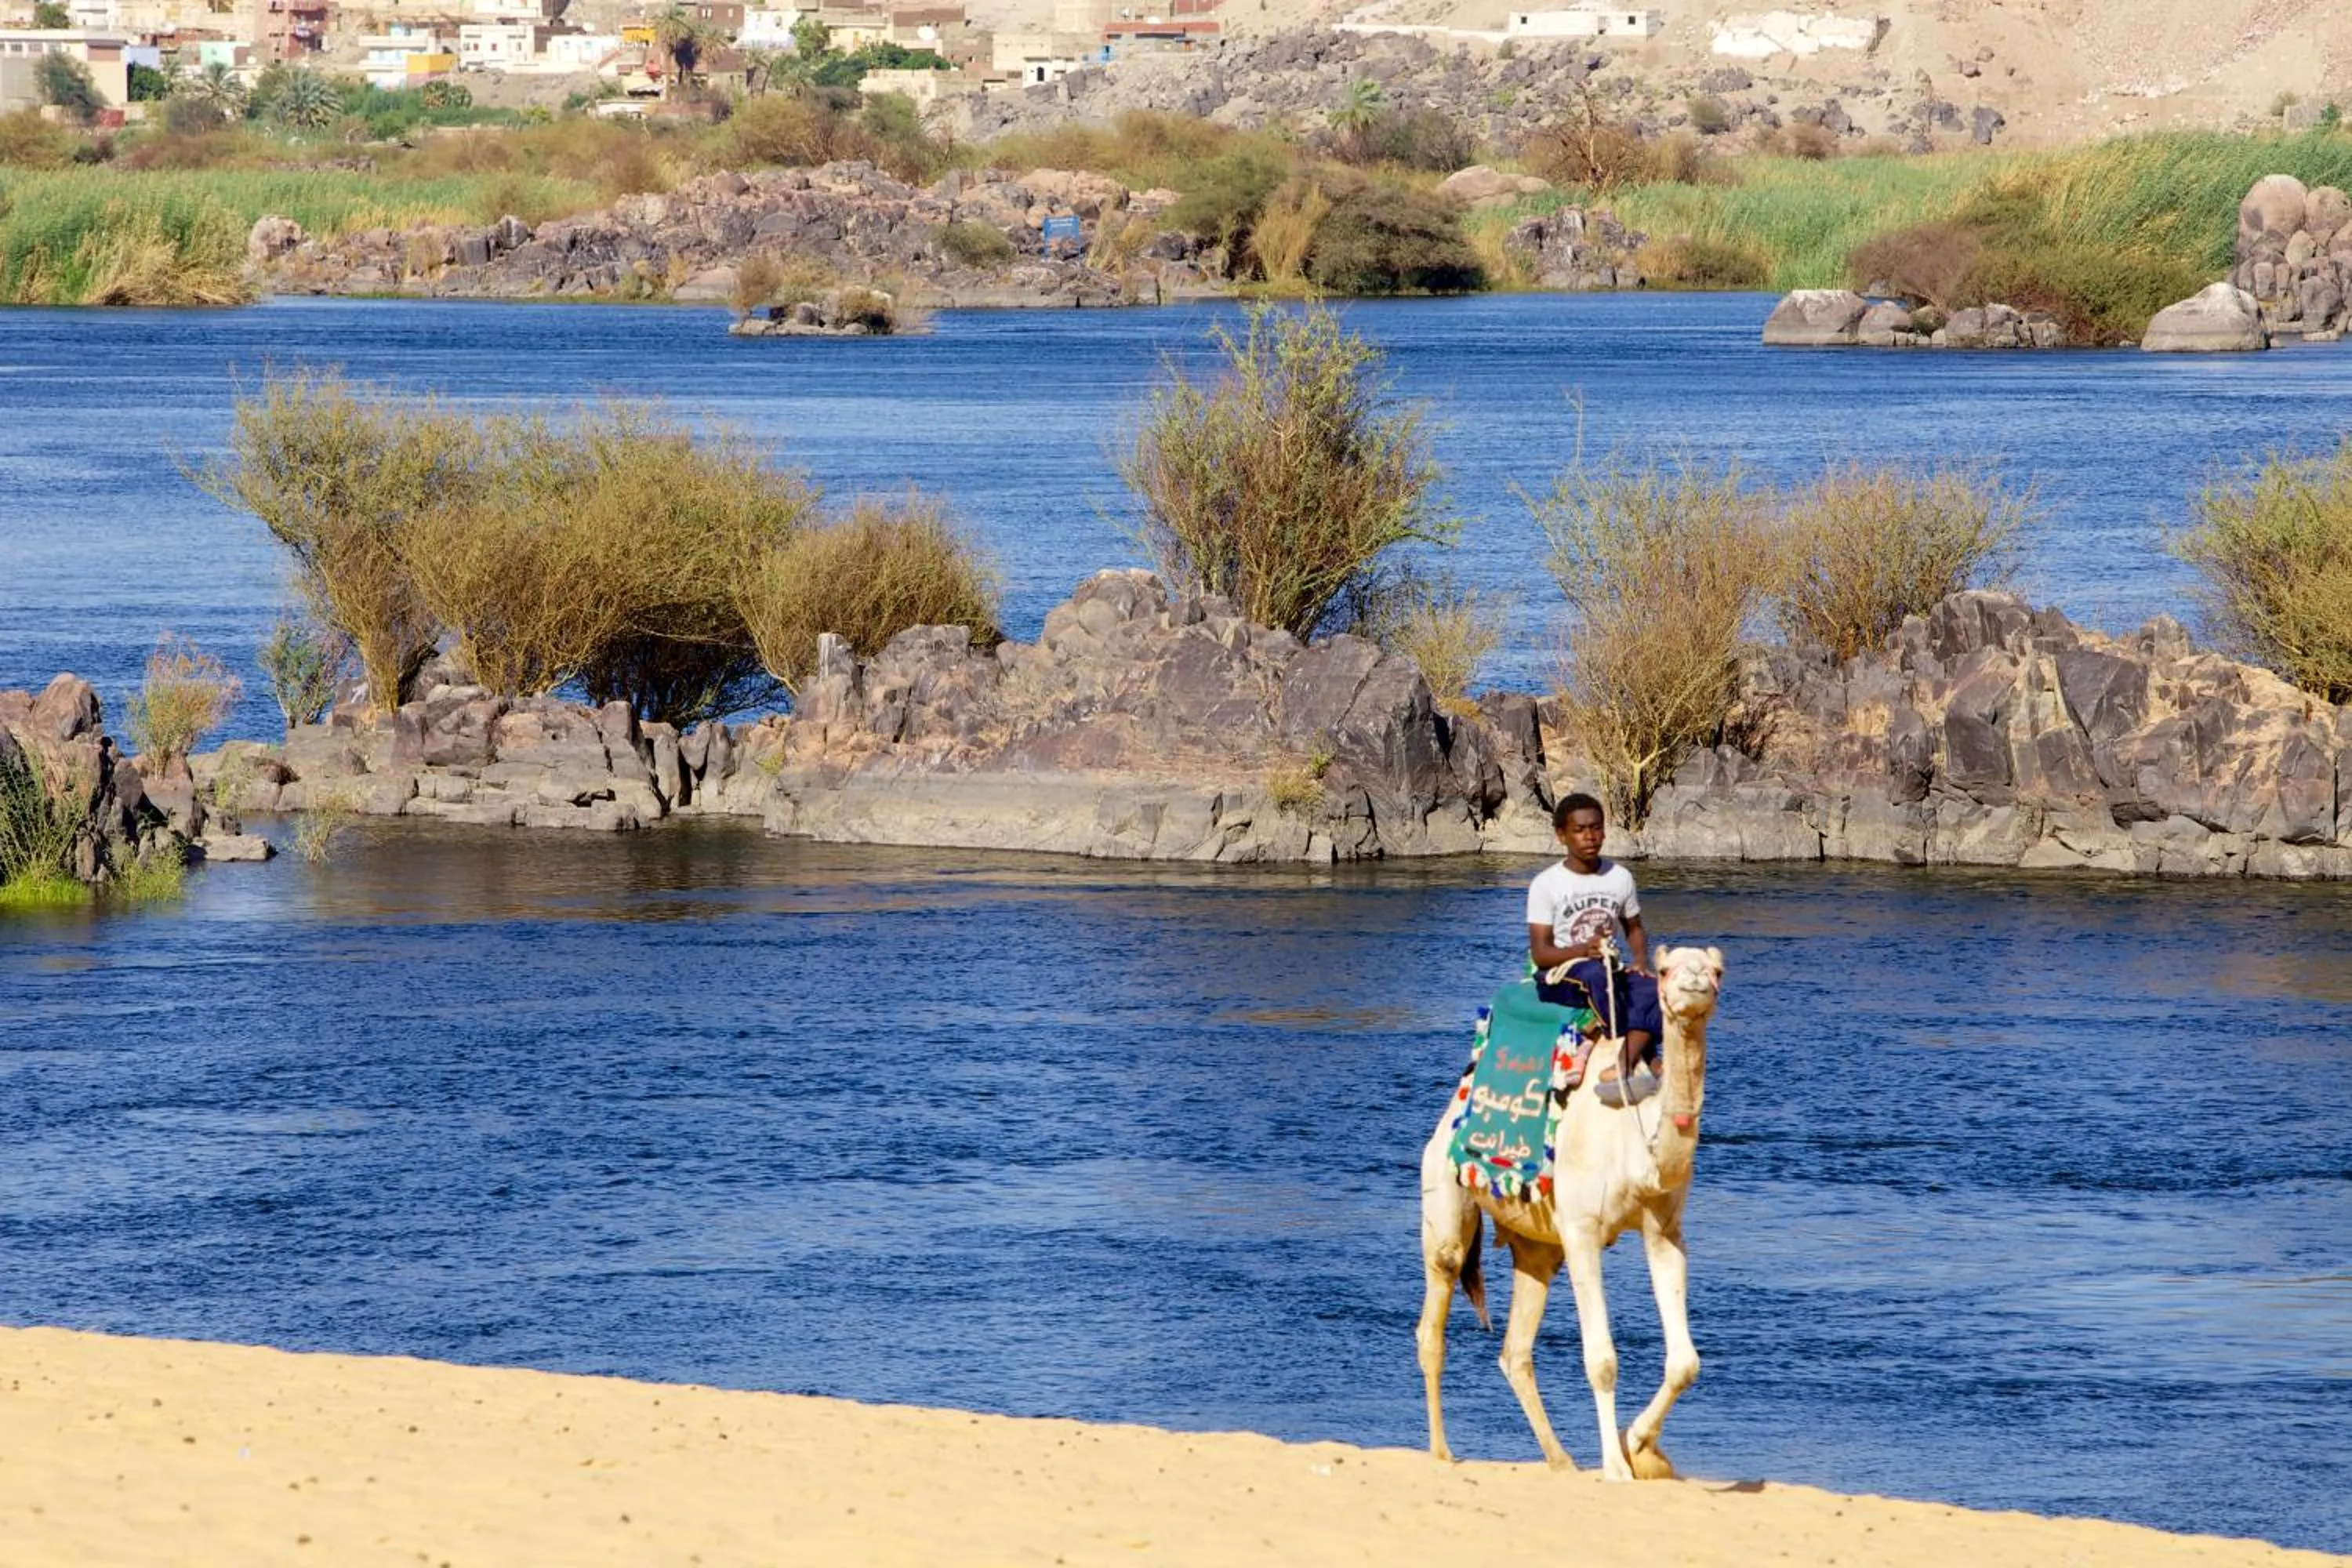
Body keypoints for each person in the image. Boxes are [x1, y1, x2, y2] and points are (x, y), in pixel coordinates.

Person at [1525, 792, 1660, 1080]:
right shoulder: (1546, 884)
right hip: (1561, 974)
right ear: (1562, 835)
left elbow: (1633, 927)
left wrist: (1639, 961)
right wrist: (1584, 950)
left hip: (1607, 967)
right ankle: (1639, 1052)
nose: (1590, 837)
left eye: (1596, 828)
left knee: (1657, 987)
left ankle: (1626, 1061)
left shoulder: (1620, 877)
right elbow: (1541, 954)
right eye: (1580, 830)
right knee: (1595, 975)